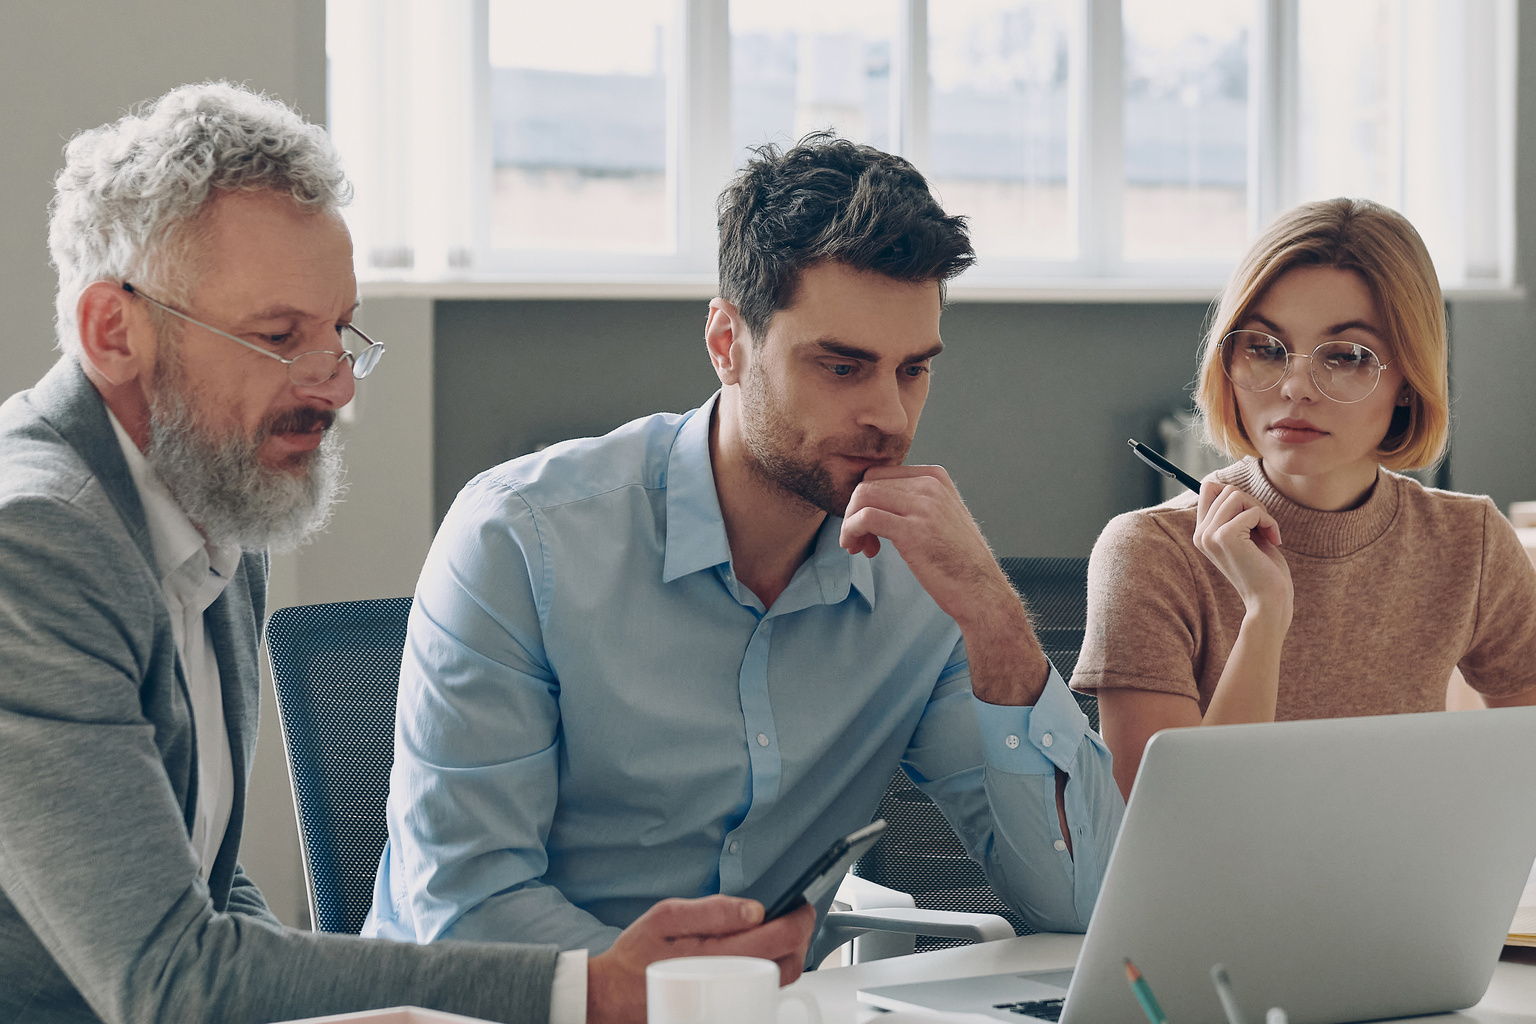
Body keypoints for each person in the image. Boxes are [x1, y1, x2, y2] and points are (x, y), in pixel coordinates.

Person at [0, 81, 812, 1024]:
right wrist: (583, 989)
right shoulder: (35, 545)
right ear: (114, 331)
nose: (335, 388)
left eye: (339, 332)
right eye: (278, 337)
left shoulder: (210, 496)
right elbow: (169, 979)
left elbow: (208, 899)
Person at [364, 135, 1123, 958]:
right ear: (728, 344)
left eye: (913, 370)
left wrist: (996, 624)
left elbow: (1082, 905)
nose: (892, 418)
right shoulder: (521, 540)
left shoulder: (922, 581)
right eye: (841, 367)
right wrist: (705, 993)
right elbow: (468, 915)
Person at [1072, 198, 1536, 799]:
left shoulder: (1468, 540)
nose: (1294, 386)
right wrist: (1265, 616)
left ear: (1408, 379)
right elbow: (1177, 823)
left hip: (1399, 890)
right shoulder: (1148, 551)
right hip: (1215, 894)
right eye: (1265, 347)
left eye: (1346, 357)